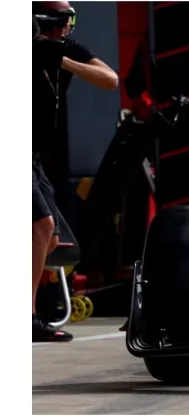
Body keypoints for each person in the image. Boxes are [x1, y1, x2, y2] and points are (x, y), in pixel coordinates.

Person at [33, 2, 119, 343]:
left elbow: (110, 79)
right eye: (66, 18)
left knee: (51, 239)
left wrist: (60, 60)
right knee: (42, 226)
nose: (70, 25)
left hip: (34, 156)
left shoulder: (65, 49)